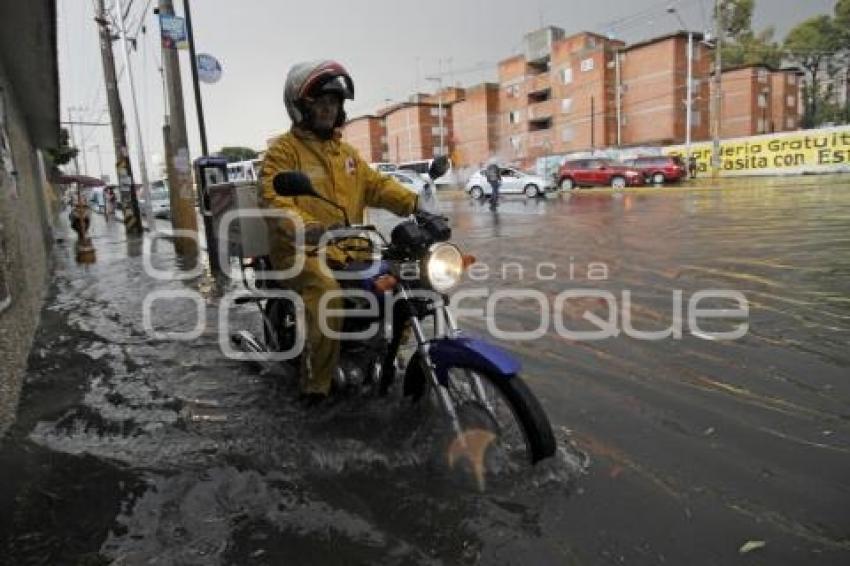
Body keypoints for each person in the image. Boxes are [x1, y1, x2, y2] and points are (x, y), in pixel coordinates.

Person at [259, 60, 433, 406]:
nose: (328, 109)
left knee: (409, 276)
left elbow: (379, 186)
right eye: (320, 102)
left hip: (353, 249)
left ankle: (385, 356)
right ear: (301, 106)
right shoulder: (284, 150)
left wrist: (419, 205)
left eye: (334, 102)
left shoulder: (347, 153)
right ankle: (316, 387)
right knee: (325, 292)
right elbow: (272, 199)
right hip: (301, 252)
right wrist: (307, 227)